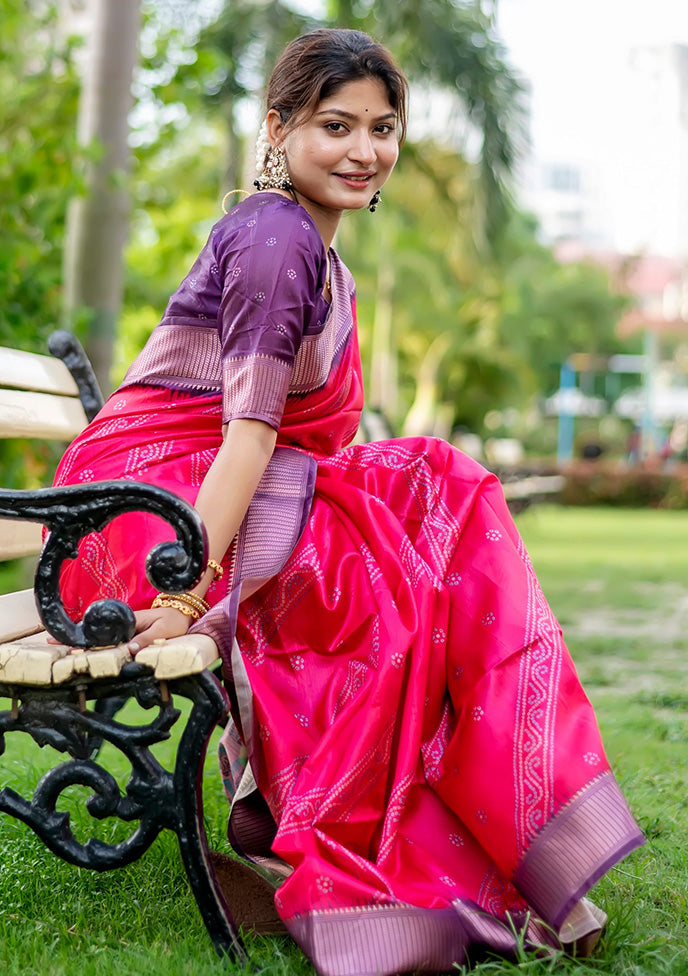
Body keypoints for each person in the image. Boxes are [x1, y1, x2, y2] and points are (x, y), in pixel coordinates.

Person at [54, 28, 644, 976]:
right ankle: (455, 850)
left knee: (435, 501)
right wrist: (177, 590)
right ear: (279, 127)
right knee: (396, 548)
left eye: (382, 127)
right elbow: (246, 433)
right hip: (146, 519)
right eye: (336, 125)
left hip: (192, 498)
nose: (363, 149)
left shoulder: (315, 249)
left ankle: (492, 840)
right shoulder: (276, 238)